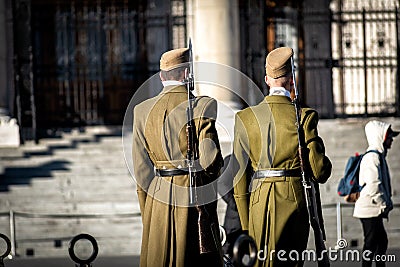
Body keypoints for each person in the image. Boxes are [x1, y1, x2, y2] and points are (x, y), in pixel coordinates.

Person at [232, 47, 332, 267]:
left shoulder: (245, 118)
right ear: (291, 80)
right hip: (293, 201)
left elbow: (238, 177)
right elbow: (321, 171)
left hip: (258, 203)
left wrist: (246, 224)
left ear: (267, 79)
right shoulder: (304, 117)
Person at [132, 47, 224, 267]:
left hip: (157, 197)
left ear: (162, 76)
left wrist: (151, 212)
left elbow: (142, 172)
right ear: (186, 74)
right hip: (191, 197)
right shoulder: (203, 105)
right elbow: (211, 161)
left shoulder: (141, 110)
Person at [353, 120, 398, 267]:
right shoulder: (372, 157)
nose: (392, 140)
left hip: (373, 209)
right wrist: (384, 204)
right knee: (372, 243)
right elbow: (374, 186)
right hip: (369, 209)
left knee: (378, 242)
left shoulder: (378, 156)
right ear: (381, 137)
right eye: (389, 137)